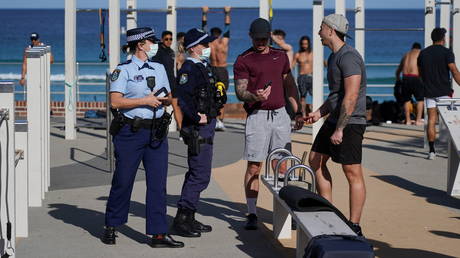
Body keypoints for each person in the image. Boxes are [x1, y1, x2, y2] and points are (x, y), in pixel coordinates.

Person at [101, 27, 183, 248]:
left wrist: (165, 100)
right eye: (151, 41)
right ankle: (111, 224)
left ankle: (158, 233)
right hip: (131, 133)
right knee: (123, 180)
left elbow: (168, 96)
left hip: (156, 131)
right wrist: (144, 101)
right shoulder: (123, 70)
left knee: (158, 184)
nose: (154, 45)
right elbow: (116, 102)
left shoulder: (159, 67)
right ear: (140, 44)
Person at [233, 18, 304, 230]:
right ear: (251, 37)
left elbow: (290, 85)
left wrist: (298, 111)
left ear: (269, 36)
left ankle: (284, 212)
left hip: (281, 115)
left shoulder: (280, 56)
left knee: (282, 165)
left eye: (264, 38)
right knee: (255, 165)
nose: (261, 42)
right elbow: (240, 92)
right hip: (257, 116)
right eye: (257, 39)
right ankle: (252, 212)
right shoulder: (243, 59)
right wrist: (255, 96)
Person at [305, 14, 367, 236]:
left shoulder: (349, 57)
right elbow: (336, 96)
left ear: (331, 30)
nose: (318, 32)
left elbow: (350, 96)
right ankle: (328, 212)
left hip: (350, 122)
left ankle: (354, 225)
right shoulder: (333, 57)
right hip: (334, 119)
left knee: (351, 171)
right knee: (315, 160)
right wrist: (318, 113)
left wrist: (340, 129)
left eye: (321, 27)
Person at [172, 28, 226, 237]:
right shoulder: (189, 68)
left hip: (208, 124)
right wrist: (196, 116)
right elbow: (182, 98)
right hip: (198, 127)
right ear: (194, 48)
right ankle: (182, 220)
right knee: (200, 174)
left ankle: (189, 216)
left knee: (197, 172)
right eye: (205, 45)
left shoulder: (202, 65)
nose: (208, 48)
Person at [418, 27, 460, 160]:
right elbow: (454, 71)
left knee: (431, 120)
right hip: (444, 91)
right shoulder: (447, 52)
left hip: (429, 91)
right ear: (443, 39)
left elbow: (420, 73)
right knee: (451, 121)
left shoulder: (423, 53)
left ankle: (431, 151)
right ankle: (453, 150)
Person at [202, 6, 232, 131]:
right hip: (218, 69)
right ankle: (218, 120)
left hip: (216, 70)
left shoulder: (210, 43)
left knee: (217, 95)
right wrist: (227, 13)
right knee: (217, 95)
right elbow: (227, 28)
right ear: (219, 34)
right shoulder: (222, 42)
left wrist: (204, 14)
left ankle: (218, 120)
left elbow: (204, 28)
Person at [152, 30, 184, 133]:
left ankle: (182, 131)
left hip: (172, 82)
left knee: (176, 106)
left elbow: (176, 66)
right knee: (162, 107)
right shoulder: (157, 51)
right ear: (162, 39)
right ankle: (161, 130)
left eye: (170, 39)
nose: (169, 41)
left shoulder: (171, 52)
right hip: (162, 83)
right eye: (166, 39)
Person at [395, 42, 424, 126]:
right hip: (415, 77)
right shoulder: (420, 53)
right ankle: (418, 120)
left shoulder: (406, 54)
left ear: (412, 48)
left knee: (406, 100)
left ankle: (408, 120)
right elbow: (421, 67)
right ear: (419, 48)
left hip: (405, 77)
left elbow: (398, 70)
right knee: (420, 99)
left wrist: (398, 79)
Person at [294, 36, 313, 117]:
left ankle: (314, 112)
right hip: (302, 77)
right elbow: (291, 66)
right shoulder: (298, 54)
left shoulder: (313, 53)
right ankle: (304, 115)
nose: (304, 45)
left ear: (308, 44)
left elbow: (323, 63)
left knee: (315, 95)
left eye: (306, 44)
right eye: (303, 44)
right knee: (302, 97)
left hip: (312, 76)